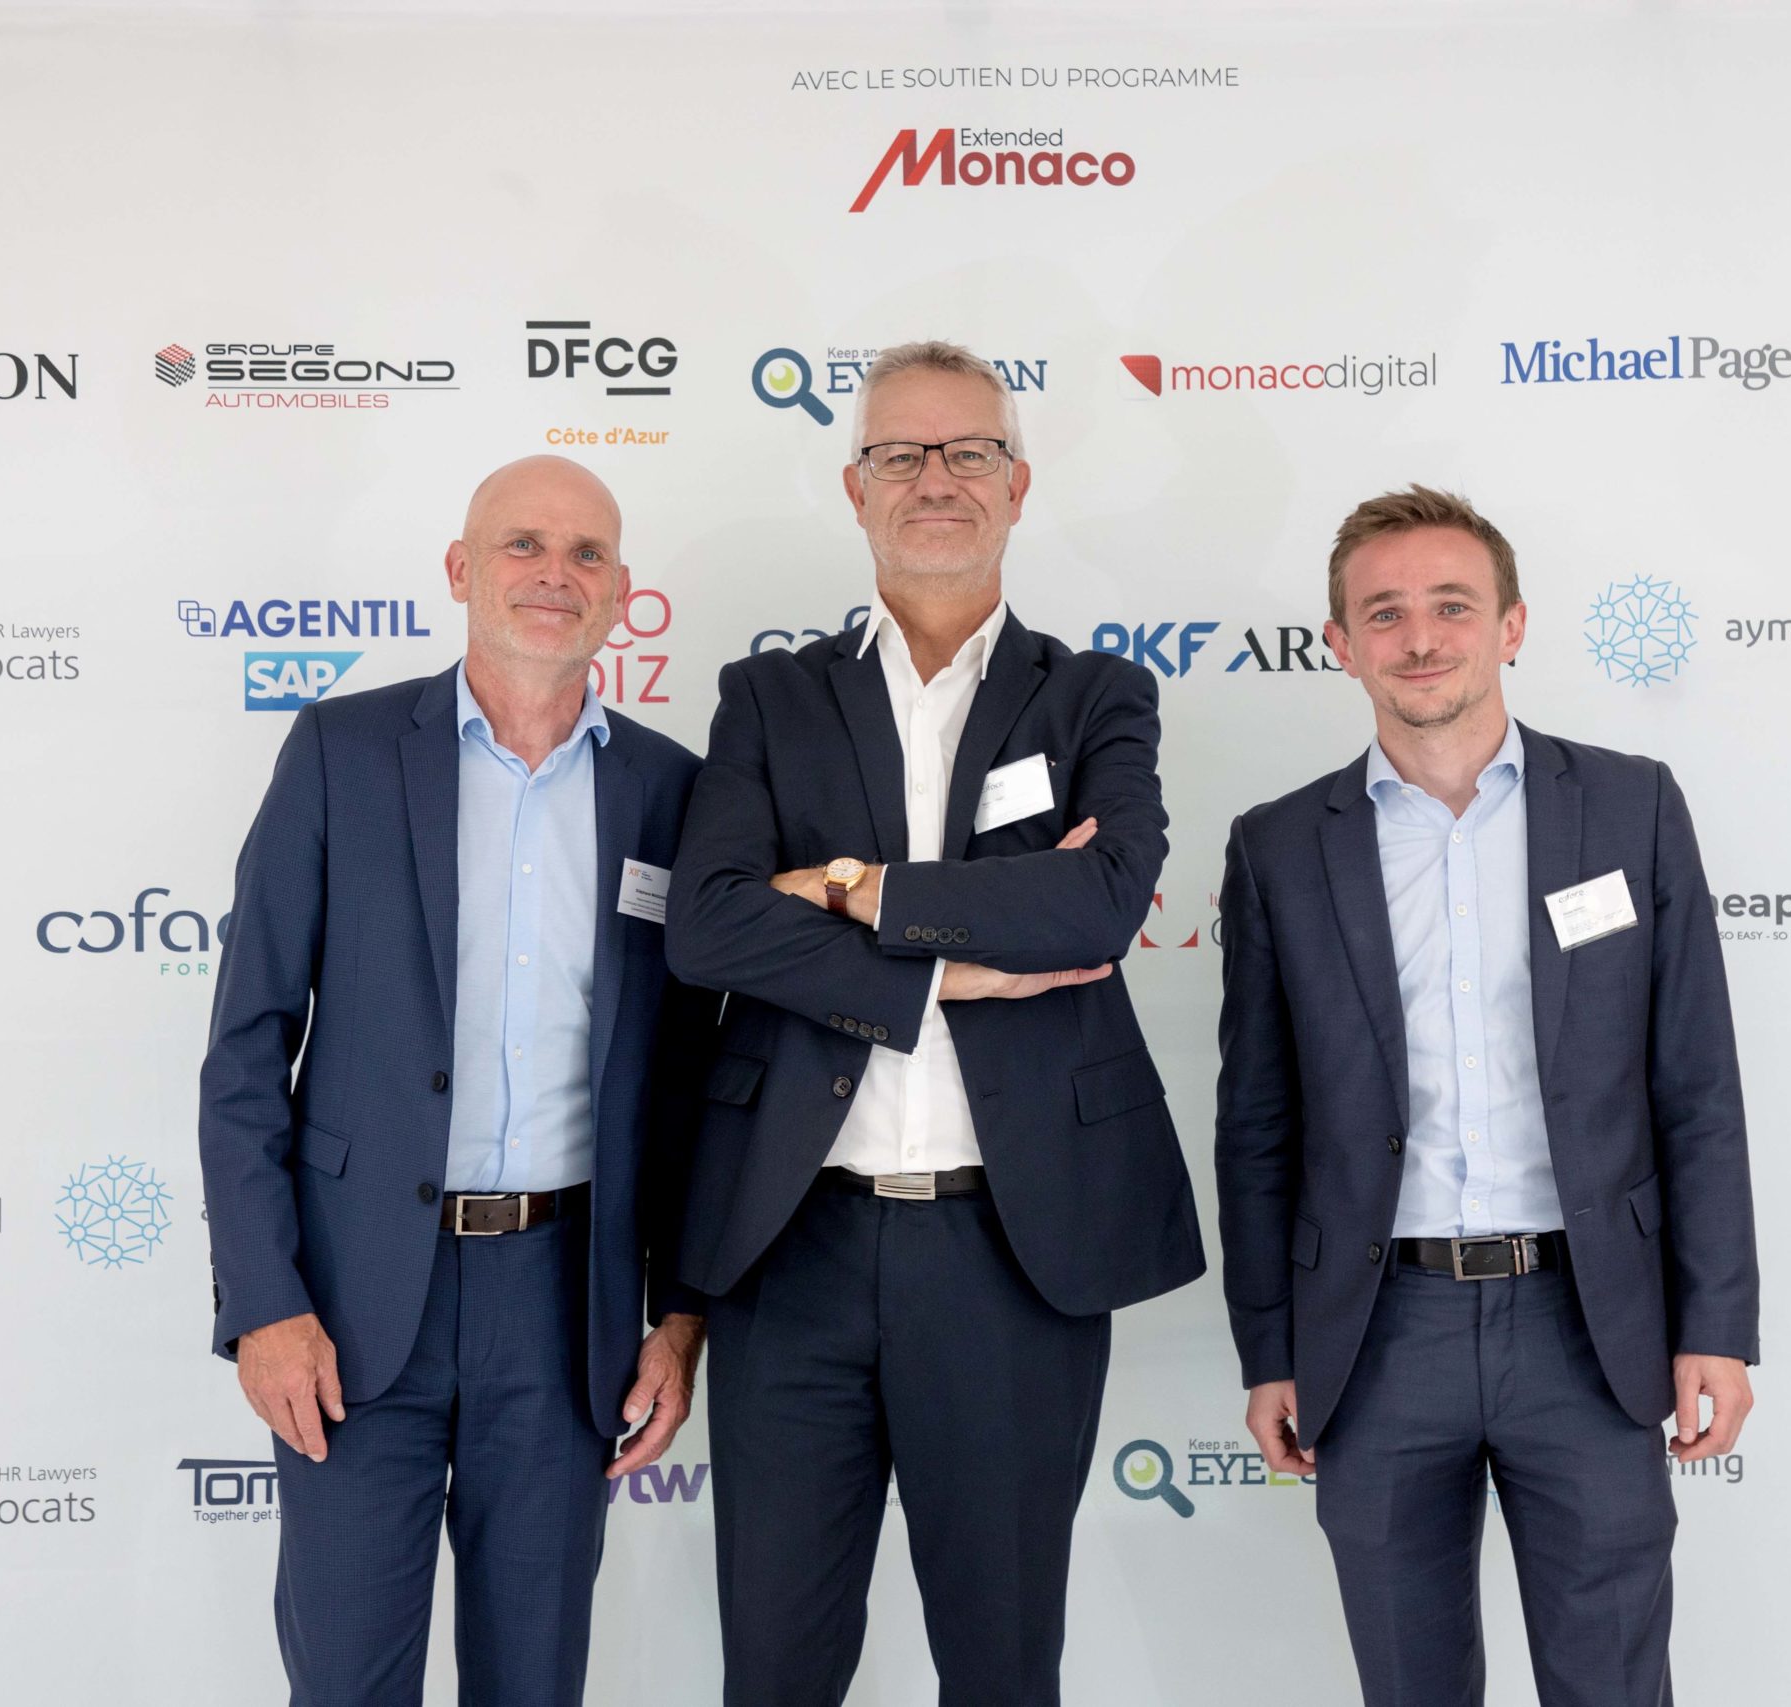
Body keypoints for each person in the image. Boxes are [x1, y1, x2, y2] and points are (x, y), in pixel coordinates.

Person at [664, 340, 1204, 1707]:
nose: (936, 479)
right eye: (901, 453)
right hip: (792, 1247)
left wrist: (850, 886)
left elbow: (1095, 905)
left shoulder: (1095, 696)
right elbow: (711, 926)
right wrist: (939, 976)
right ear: (856, 488)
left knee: (1002, 1664)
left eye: (969, 451)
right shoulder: (768, 699)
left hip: (1011, 1252)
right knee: (774, 1668)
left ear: (1017, 484)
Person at [1213, 485, 1759, 1706]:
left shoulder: (1630, 807)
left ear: (1511, 625)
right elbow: (1256, 1125)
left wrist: (1715, 1324)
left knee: (1611, 1682)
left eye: (1452, 606)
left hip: (1590, 1325)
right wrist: (1270, 1349)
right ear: (1340, 643)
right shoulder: (1279, 847)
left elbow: (1696, 1086)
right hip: (1376, 1336)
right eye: (1384, 613)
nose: (1420, 638)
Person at [198, 455, 714, 1705]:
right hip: (352, 1305)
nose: (554, 574)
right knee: (346, 1681)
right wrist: (264, 1303)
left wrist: (682, 1314)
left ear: (621, 592)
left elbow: (691, 1081)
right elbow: (247, 1045)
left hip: (567, 1310)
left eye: (586, 554)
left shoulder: (669, 790)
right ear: (460, 570)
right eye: (522, 545)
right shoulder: (342, 751)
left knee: (533, 1680)